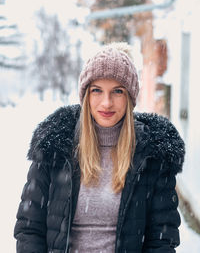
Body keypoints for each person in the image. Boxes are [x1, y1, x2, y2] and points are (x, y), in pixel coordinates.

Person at [14, 42, 185, 253]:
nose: (106, 103)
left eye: (117, 91)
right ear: (86, 96)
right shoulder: (55, 147)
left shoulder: (152, 155)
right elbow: (29, 229)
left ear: (130, 98)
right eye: (97, 90)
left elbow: (162, 240)